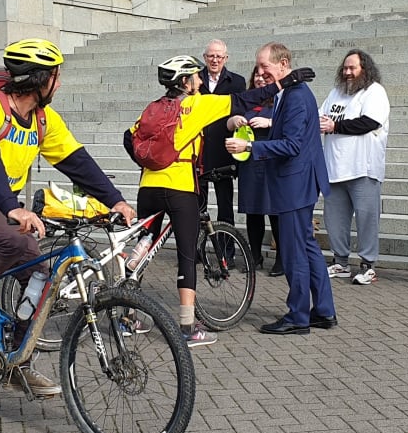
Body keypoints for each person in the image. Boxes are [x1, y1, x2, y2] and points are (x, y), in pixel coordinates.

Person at [0, 38, 136, 397]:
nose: (58, 84)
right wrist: (12, 207)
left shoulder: (42, 119)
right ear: (40, 79)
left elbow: (76, 161)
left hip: (3, 204)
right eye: (55, 77)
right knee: (12, 240)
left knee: (42, 276)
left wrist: (115, 201)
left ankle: (15, 362)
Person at [125, 54, 314, 346]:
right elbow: (247, 98)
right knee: (187, 256)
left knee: (143, 247)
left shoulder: (152, 108)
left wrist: (153, 164)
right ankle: (187, 327)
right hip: (180, 188)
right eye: (196, 77)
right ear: (186, 83)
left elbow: (129, 138)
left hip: (148, 187)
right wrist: (286, 81)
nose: (200, 81)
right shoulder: (197, 104)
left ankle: (126, 315)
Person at [226, 43, 336, 336]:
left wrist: (249, 146)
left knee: (293, 252)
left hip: (295, 184)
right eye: (258, 67)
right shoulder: (290, 92)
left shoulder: (297, 96)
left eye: (265, 67)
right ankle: (323, 311)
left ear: (283, 64)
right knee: (307, 247)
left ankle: (298, 316)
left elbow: (292, 144)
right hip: (297, 182)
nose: (260, 73)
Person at [319, 49, 390, 286]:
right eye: (345, 68)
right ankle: (340, 262)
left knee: (366, 218)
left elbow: (369, 121)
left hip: (363, 167)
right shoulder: (335, 93)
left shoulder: (374, 91)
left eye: (353, 68)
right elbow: (321, 116)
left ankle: (368, 265)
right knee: (334, 220)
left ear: (364, 69)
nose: (347, 72)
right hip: (334, 167)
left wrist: (334, 126)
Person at [224, 66, 279, 274]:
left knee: (274, 211)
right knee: (253, 210)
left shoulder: (281, 99)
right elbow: (228, 124)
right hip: (248, 162)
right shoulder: (246, 99)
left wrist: (269, 122)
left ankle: (281, 258)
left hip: (271, 159)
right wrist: (234, 121)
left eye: (265, 76)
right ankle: (254, 257)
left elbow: (292, 124)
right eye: (257, 75)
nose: (261, 79)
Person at [197, 40, 246, 227]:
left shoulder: (237, 82)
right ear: (205, 58)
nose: (215, 60)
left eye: (219, 56)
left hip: (223, 151)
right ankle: (197, 252)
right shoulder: (195, 80)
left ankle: (227, 252)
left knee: (225, 205)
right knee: (197, 206)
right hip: (199, 151)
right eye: (211, 56)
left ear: (226, 58)